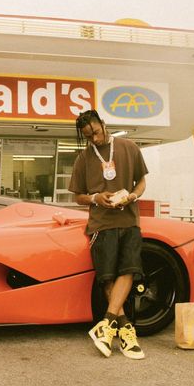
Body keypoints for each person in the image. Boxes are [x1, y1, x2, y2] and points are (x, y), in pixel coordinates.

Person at [69, 110, 148, 360]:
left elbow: (142, 183)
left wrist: (132, 196)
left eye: (96, 132)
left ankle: (106, 325)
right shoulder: (83, 158)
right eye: (88, 136)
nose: (94, 138)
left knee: (128, 269)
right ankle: (124, 329)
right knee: (107, 276)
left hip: (129, 220)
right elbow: (78, 195)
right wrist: (95, 198)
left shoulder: (129, 147)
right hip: (101, 224)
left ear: (103, 124)